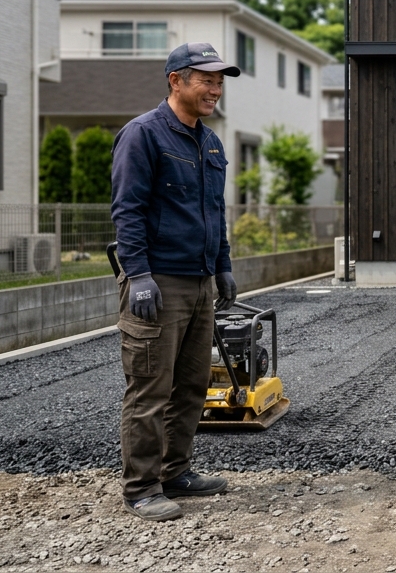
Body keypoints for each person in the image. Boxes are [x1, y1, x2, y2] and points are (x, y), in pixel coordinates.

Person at [110, 42, 240, 521]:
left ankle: (175, 472)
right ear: (176, 81)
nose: (215, 89)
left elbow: (215, 211)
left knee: (191, 385)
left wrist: (222, 264)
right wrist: (138, 274)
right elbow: (128, 210)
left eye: (219, 81)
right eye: (206, 79)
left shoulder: (209, 142)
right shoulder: (143, 135)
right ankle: (141, 487)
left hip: (199, 279)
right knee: (149, 387)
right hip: (158, 283)